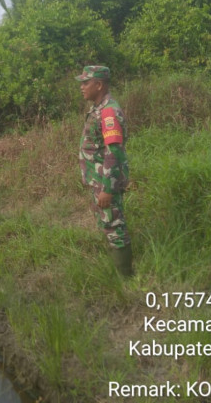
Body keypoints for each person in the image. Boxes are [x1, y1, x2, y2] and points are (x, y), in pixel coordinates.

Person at [76, 65, 133, 277]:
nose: (81, 87)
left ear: (99, 85)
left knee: (114, 225)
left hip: (106, 182)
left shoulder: (108, 112)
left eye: (85, 82)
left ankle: (126, 280)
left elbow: (113, 152)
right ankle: (117, 269)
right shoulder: (98, 109)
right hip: (98, 180)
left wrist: (107, 189)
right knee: (107, 223)